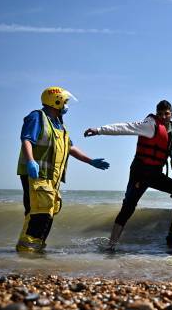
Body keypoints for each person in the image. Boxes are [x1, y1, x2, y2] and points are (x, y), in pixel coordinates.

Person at [16, 86, 110, 253]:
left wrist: (90, 161)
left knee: (49, 211)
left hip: (52, 178)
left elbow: (70, 148)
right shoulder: (37, 117)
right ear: (56, 101)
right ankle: (26, 251)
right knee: (38, 212)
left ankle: (36, 249)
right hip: (36, 174)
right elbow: (26, 140)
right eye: (65, 101)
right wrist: (30, 161)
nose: (66, 105)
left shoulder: (59, 124)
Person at [84, 100, 172, 249]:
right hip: (140, 173)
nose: (163, 116)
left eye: (166, 114)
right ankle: (112, 245)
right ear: (157, 114)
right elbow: (125, 128)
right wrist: (99, 130)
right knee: (128, 207)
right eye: (160, 114)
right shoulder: (149, 125)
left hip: (156, 174)